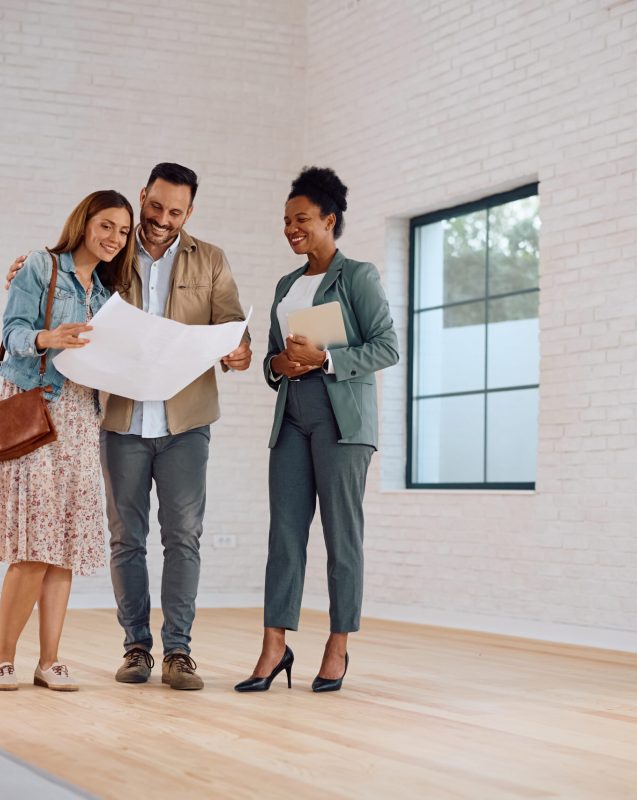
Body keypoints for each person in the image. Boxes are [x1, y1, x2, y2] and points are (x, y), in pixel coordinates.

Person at [8, 163, 251, 690]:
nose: (163, 219)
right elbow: (70, 275)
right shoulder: (114, 256)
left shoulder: (210, 260)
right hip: (120, 418)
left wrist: (238, 353)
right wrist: (27, 270)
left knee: (184, 536)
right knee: (127, 538)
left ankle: (179, 651)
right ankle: (136, 647)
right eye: (156, 206)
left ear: (190, 212)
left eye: (176, 211)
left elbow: (232, 328)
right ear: (143, 196)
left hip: (187, 420)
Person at [235, 167, 398, 694]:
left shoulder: (359, 276)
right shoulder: (286, 284)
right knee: (283, 535)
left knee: (340, 536)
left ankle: (338, 645)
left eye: (301, 219)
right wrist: (277, 366)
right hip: (292, 416)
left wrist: (326, 358)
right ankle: (273, 646)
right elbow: (270, 358)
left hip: (342, 421)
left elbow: (387, 346)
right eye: (286, 221)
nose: (291, 229)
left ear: (330, 220)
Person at [0, 189, 135, 691]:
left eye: (123, 230)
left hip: (79, 419)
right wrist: (48, 338)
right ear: (86, 222)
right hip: (35, 407)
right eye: (107, 225)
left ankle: (50, 661)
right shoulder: (40, 267)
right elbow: (13, 332)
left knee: (63, 544)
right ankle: (3, 658)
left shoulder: (109, 295)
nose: (114, 237)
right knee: (32, 543)